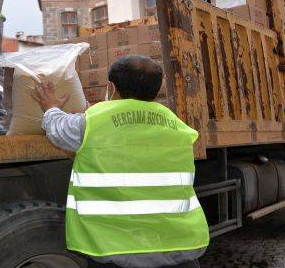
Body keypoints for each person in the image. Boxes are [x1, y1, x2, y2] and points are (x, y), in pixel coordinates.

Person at [32, 55, 209, 268]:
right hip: (179, 249)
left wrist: (50, 107)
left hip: (116, 251)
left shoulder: (92, 123)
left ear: (111, 87)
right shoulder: (180, 128)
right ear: (156, 90)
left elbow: (58, 129)